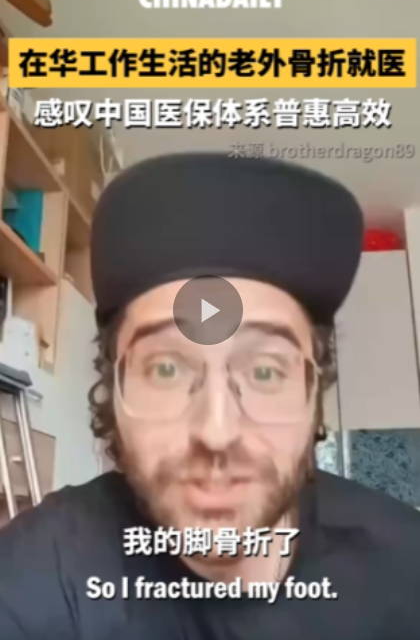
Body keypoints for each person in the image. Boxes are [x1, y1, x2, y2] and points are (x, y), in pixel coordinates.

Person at [0, 153, 419, 640]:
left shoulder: (405, 569)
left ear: (312, 396)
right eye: (166, 369)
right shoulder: (40, 572)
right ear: (113, 392)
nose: (216, 432)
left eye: (264, 371)